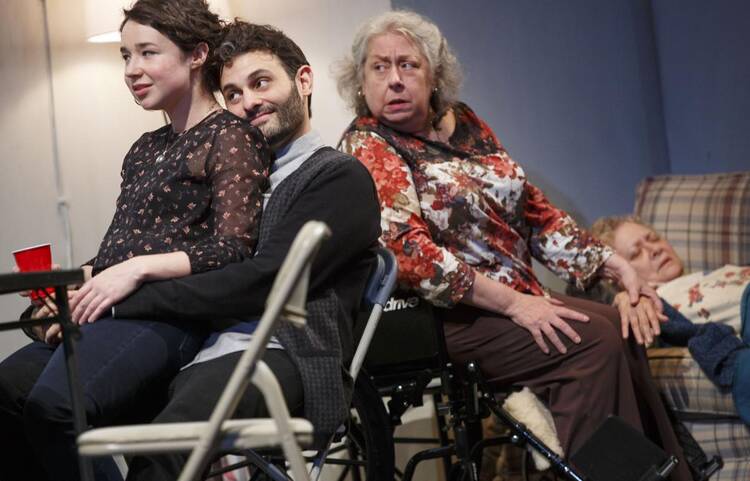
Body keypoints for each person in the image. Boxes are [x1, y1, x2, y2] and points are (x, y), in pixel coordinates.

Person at [336, 10, 693, 480]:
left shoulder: (463, 122)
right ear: (362, 81)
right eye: (379, 68)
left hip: (510, 298)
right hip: (442, 315)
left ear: (434, 76)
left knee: (616, 327)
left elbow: (532, 213)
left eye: (409, 65)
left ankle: (669, 473)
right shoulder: (369, 144)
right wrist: (517, 306)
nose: (395, 80)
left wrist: (618, 268)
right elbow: (411, 256)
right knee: (588, 343)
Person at [0, 1, 270, 480]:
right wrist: (70, 286)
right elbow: (117, 252)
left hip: (168, 316)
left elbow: (233, 248)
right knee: (5, 389)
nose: (131, 70)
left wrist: (139, 267)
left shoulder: (230, 136)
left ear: (197, 54)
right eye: (125, 56)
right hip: (115, 311)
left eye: (147, 53)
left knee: (58, 405)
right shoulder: (145, 149)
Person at [109, 21, 381, 479]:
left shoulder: (337, 178)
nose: (247, 103)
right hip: (202, 346)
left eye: (260, 83)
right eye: (232, 94)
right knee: (67, 402)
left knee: (164, 445)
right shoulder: (233, 181)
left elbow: (265, 281)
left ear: (304, 81)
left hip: (283, 354)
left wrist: (132, 293)